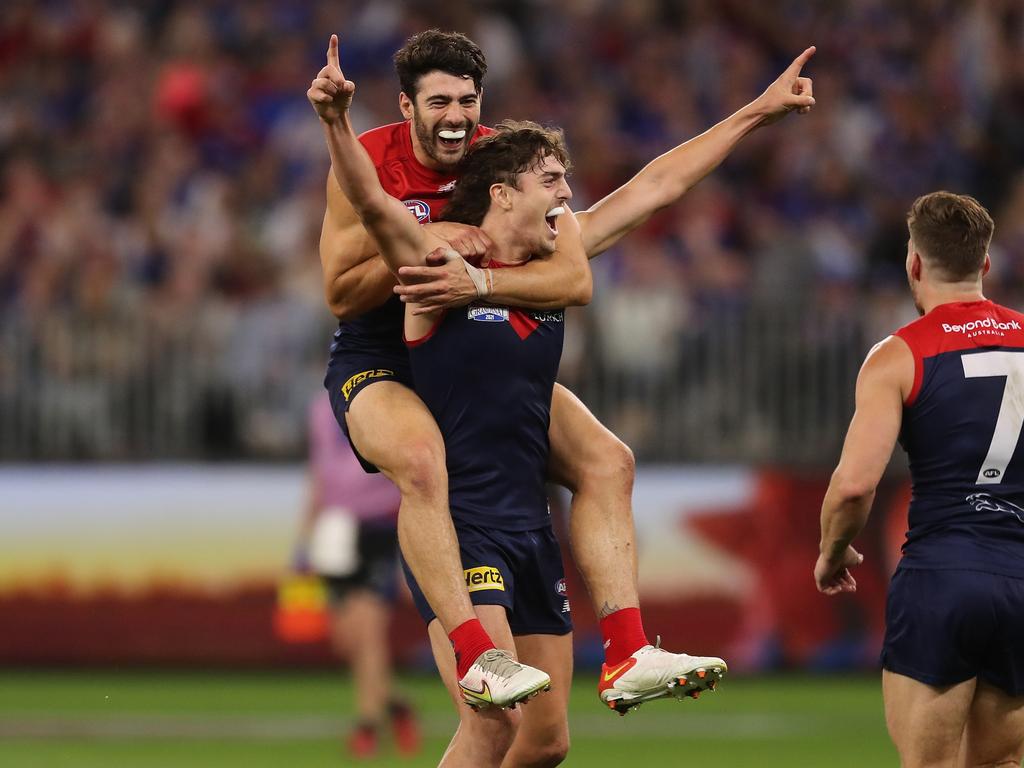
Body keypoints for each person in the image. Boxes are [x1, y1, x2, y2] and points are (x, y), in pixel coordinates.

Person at [317, 28, 817, 714]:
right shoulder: (367, 160)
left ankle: (629, 649)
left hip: (474, 357)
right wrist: (427, 241)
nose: (457, 116)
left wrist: (756, 111)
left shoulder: (503, 165)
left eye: (467, 99)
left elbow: (648, 193)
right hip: (382, 360)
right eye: (438, 102)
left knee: (608, 460)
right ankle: (474, 651)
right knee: (420, 458)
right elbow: (342, 294)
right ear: (406, 107)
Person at [815, 191, 1024, 767]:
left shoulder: (899, 355)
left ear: (914, 264)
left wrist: (832, 553)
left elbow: (856, 484)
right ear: (985, 265)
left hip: (942, 573)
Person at [293, 392, 420, 759]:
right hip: (336, 529)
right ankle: (396, 705)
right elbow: (320, 470)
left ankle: (367, 726)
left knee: (368, 631)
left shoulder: (387, 397)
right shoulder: (319, 408)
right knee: (346, 641)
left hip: (378, 526)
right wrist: (306, 537)